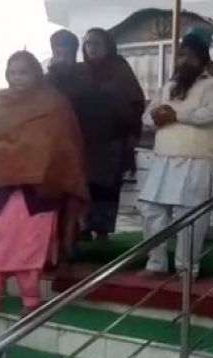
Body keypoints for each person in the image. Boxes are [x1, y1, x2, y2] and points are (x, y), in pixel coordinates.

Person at [0, 51, 88, 328]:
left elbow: (64, 145)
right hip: (8, 190)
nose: (17, 78)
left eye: (24, 72)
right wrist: (19, 156)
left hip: (41, 191)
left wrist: (37, 162)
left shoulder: (54, 103)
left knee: (28, 253)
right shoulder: (2, 101)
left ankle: (31, 302)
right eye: (12, 72)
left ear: (37, 74)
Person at [139, 31, 213, 278]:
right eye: (180, 56)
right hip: (163, 157)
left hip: (196, 159)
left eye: (189, 57)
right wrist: (156, 117)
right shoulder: (169, 86)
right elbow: (147, 116)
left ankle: (187, 268)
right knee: (151, 209)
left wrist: (176, 115)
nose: (182, 62)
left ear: (203, 62)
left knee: (189, 216)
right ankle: (156, 263)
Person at [80, 28, 146, 242]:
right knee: (84, 184)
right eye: (88, 43)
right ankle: (82, 226)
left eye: (97, 43)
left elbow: (135, 102)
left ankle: (102, 229)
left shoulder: (119, 68)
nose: (92, 48)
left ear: (108, 46)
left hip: (111, 140)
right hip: (85, 141)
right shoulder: (81, 72)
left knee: (106, 185)